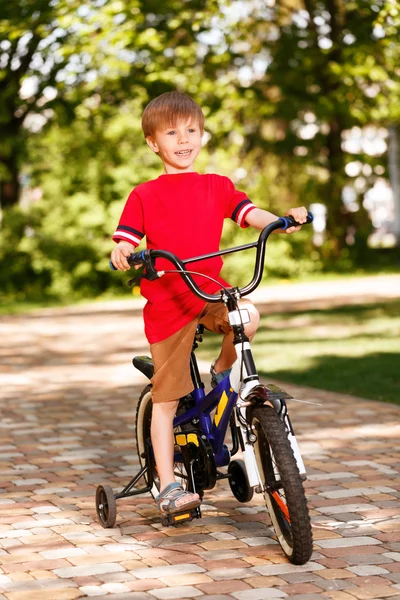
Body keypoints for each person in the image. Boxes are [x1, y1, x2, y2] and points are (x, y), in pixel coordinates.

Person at [111, 91, 307, 518]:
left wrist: (280, 221)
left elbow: (248, 212)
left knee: (248, 314)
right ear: (153, 143)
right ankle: (167, 486)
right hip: (169, 303)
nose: (184, 140)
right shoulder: (144, 194)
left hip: (210, 290)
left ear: (202, 134)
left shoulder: (215, 186)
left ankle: (222, 370)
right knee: (166, 399)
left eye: (192, 130)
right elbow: (126, 237)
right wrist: (123, 251)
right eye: (171, 132)